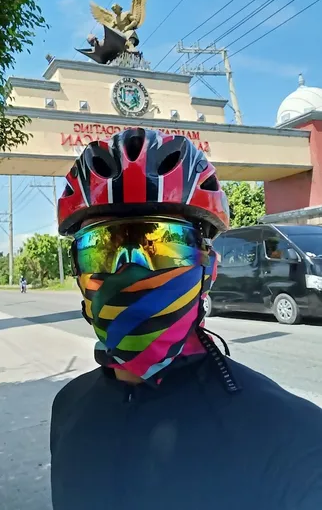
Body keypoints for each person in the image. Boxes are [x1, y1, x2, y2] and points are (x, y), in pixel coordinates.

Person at [50, 128, 322, 510]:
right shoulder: (67, 408)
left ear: (208, 269)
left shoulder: (295, 438)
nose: (132, 270)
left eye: (164, 243)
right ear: (79, 274)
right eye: (101, 248)